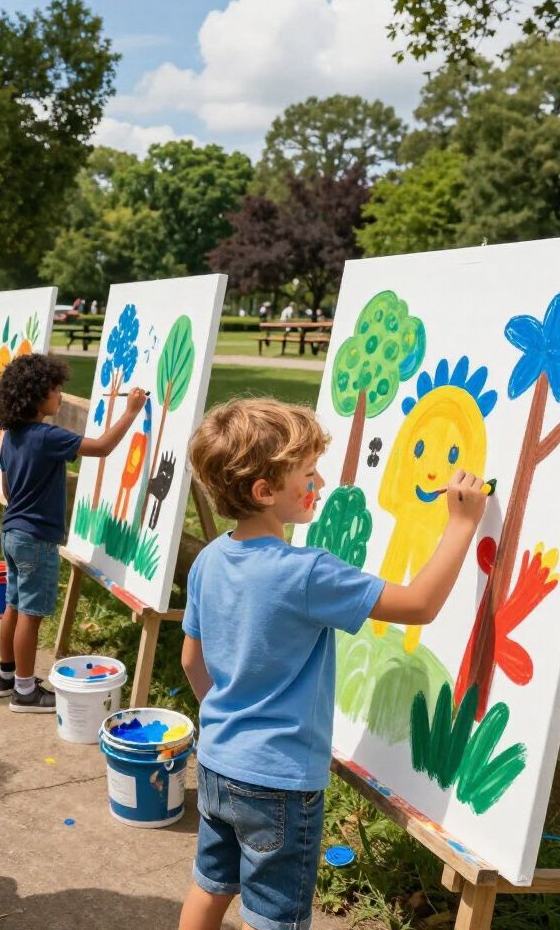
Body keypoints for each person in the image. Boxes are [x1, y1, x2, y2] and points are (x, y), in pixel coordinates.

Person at [178, 398, 488, 930]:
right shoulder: (305, 572)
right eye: (309, 473)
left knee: (211, 886)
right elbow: (419, 605)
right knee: (272, 918)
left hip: (216, 764)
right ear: (265, 491)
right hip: (279, 783)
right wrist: (461, 524)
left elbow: (191, 661)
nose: (319, 481)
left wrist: (235, 722)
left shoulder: (210, 558)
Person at [0, 355, 148, 713]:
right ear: (36, 397)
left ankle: (7, 676)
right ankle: (26, 692)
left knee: (13, 606)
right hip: (36, 538)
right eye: (56, 390)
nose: (61, 395)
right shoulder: (47, 436)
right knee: (30, 614)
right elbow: (103, 447)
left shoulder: (11, 436)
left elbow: (8, 488)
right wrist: (131, 412)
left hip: (12, 531)